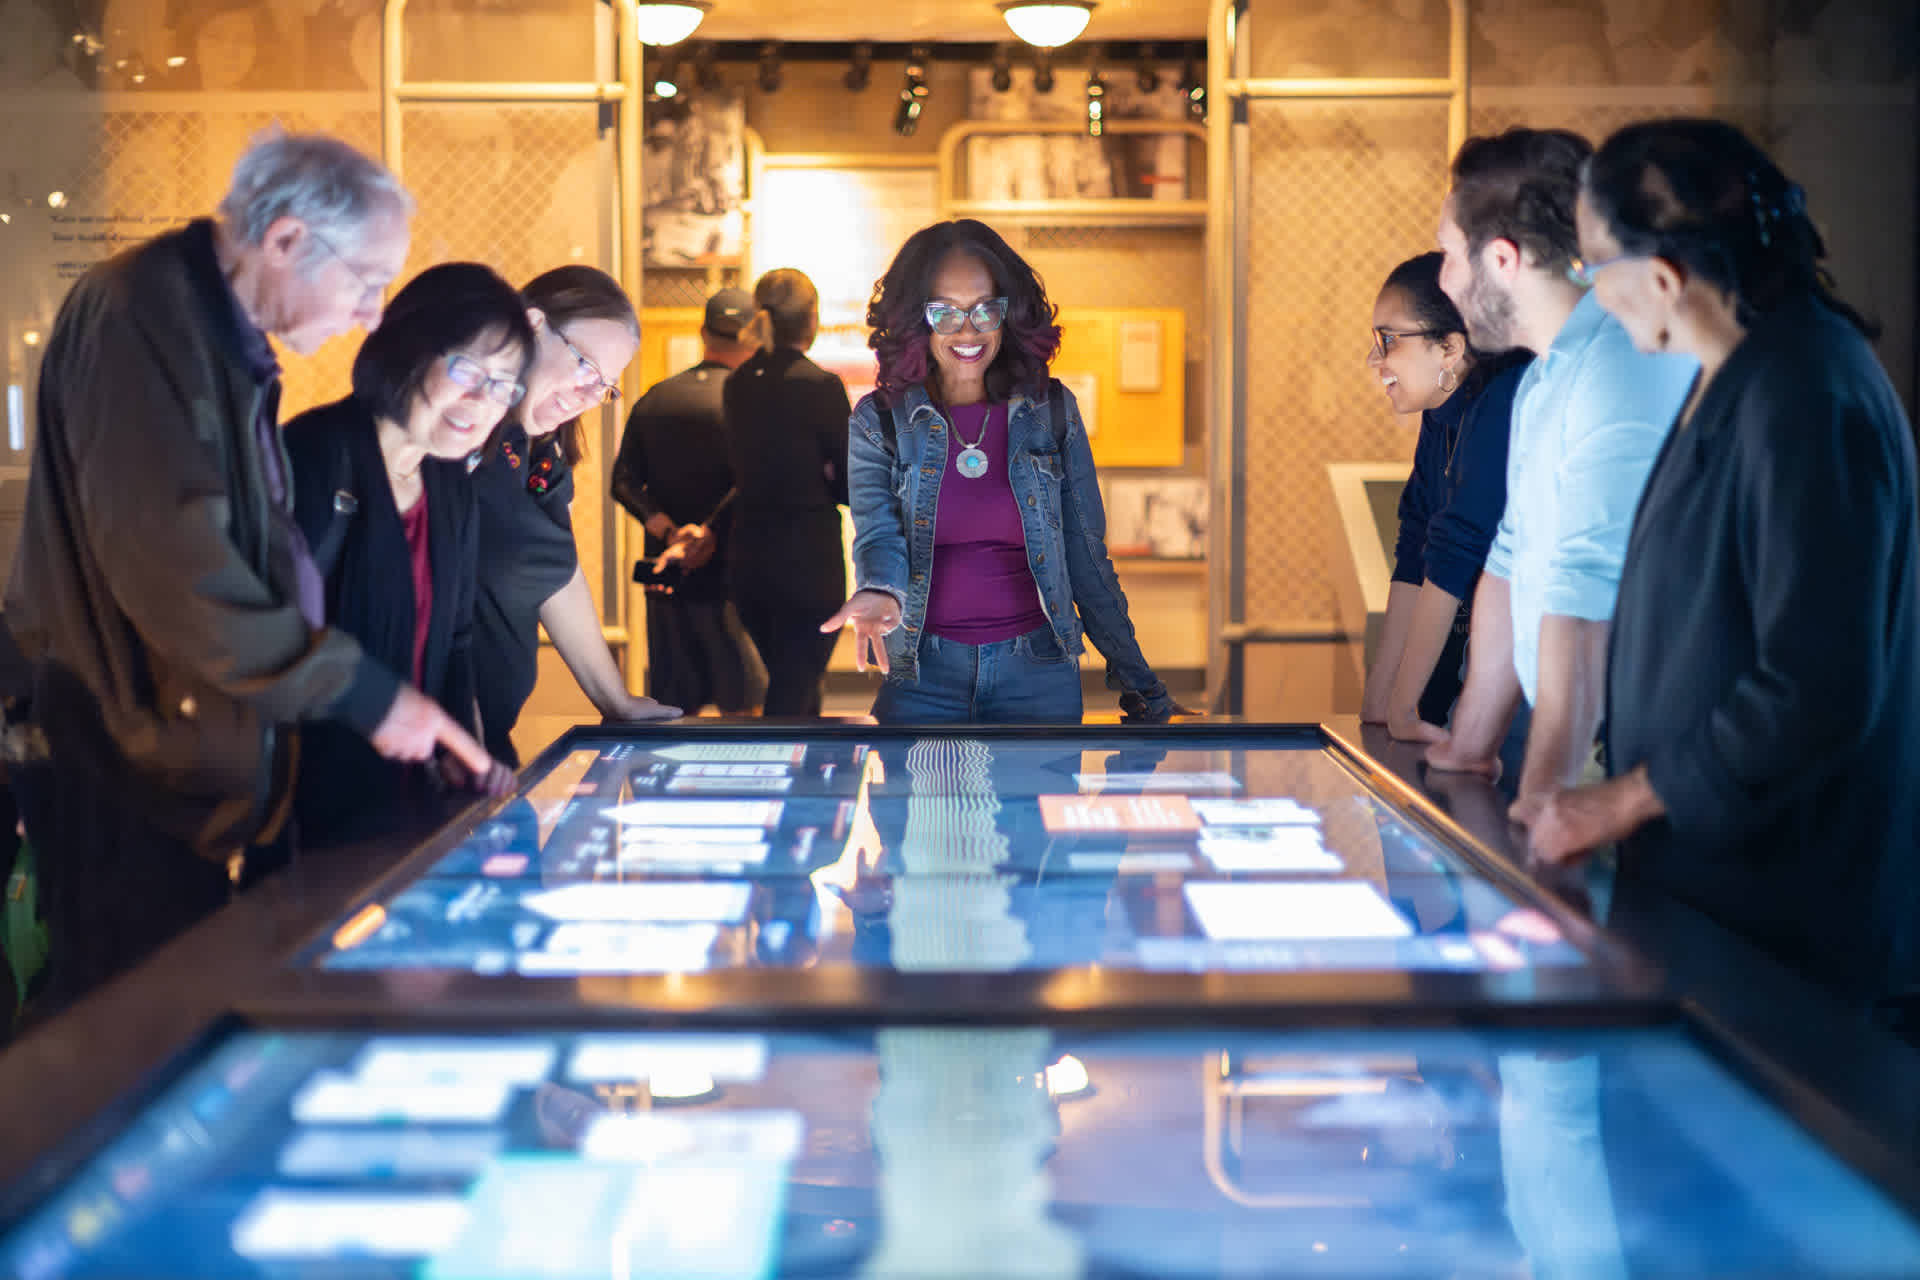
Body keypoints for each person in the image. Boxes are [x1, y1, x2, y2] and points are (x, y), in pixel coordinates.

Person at [2, 131, 498, 1018]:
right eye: (364, 280)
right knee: (133, 1037)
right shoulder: (140, 315)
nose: (370, 312)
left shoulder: (211, 332)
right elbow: (180, 574)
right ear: (286, 239)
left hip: (187, 768)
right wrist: (368, 694)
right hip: (128, 767)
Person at [1526, 119, 1920, 1007]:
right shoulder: (1740, 371)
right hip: (1715, 893)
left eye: (1592, 269)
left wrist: (1620, 801)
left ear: (1661, 275)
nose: (1591, 294)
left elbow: (1816, 686)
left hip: (1787, 919)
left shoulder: (1804, 390)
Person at [1420, 128, 1696, 815]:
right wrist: (1468, 747)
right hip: (1593, 752)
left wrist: (1547, 795)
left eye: (1449, 256)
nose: (1441, 280)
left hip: (1634, 761)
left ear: (1503, 260)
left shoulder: (1620, 360)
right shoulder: (1548, 374)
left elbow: (1586, 596)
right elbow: (1511, 564)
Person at [826, 218, 1178, 725]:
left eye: (984, 309)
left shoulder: (1051, 411)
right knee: (917, 806)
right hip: (923, 679)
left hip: (1037, 676)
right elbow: (879, 533)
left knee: (1033, 809)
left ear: (1009, 314)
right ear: (915, 319)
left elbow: (1086, 558)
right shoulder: (879, 420)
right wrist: (879, 590)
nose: (967, 331)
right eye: (944, 312)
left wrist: (1138, 679)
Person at [283, 263, 529, 845]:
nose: (482, 400)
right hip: (313, 817)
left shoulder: (451, 485)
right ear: (409, 350)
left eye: (502, 385)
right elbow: (272, 633)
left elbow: (458, 640)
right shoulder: (316, 453)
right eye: (468, 369)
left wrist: (463, 755)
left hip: (412, 813)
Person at [470, 265, 679, 766]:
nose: (589, 395)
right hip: (426, 746)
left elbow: (556, 571)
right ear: (533, 323)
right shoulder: (460, 437)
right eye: (587, 366)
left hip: (486, 744)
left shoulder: (539, 454)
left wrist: (615, 699)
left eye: (604, 387)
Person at [1358, 251, 1530, 742]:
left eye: (1388, 340)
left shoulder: (1502, 401)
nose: (1375, 360)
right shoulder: (1441, 411)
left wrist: (1405, 707)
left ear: (1450, 349)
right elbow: (1416, 542)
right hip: (1468, 661)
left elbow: (1458, 544)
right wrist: (1381, 699)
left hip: (1522, 669)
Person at [610, 286, 760, 715]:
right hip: (732, 577)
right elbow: (751, 482)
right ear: (752, 339)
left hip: (667, 576)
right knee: (742, 707)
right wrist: (708, 534)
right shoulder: (749, 403)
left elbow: (622, 482)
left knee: (674, 708)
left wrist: (669, 529)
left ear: (703, 333)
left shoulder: (656, 397)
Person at [724, 268, 852, 717]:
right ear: (812, 318)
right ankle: (792, 781)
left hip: (750, 553)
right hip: (808, 558)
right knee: (796, 687)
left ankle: (796, 779)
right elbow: (848, 481)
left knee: (787, 678)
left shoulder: (738, 384)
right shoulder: (821, 385)